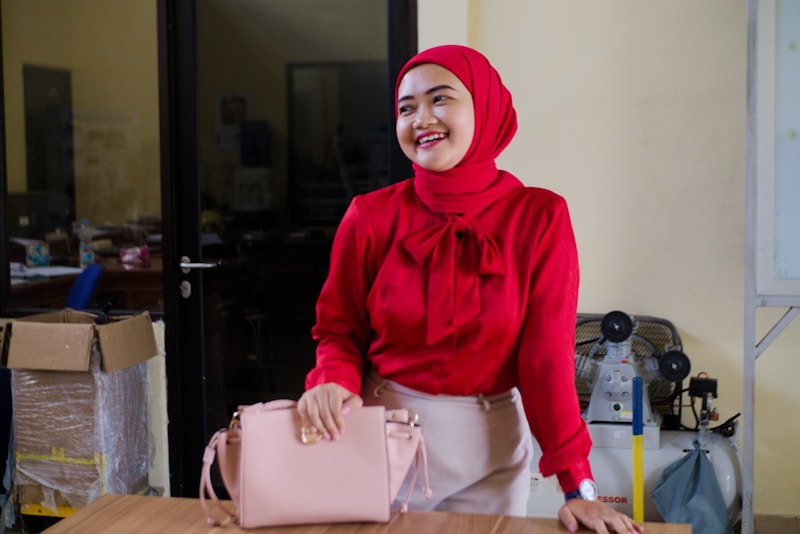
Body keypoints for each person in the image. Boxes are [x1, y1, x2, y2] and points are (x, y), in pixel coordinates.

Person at [298, 44, 644, 534]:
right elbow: (338, 331)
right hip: (380, 443)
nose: (421, 118)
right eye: (406, 107)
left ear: (485, 109)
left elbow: (546, 361)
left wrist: (578, 486)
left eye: (440, 99)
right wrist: (333, 380)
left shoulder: (540, 217)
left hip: (492, 456)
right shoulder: (370, 216)